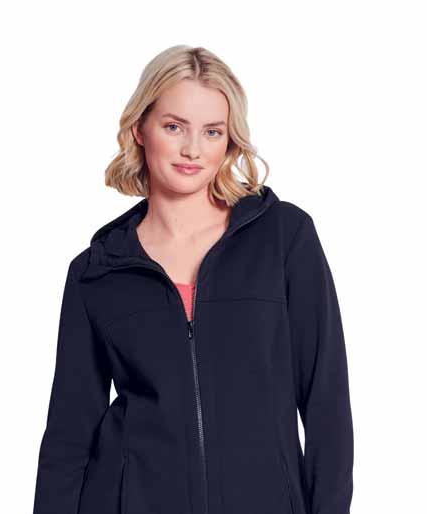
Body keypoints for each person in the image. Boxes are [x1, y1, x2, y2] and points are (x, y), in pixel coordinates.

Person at [32, 45, 354, 514]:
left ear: (229, 140)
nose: (192, 149)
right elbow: (69, 434)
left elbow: (327, 403)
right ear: (140, 129)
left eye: (212, 131)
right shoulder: (98, 270)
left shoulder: (283, 237)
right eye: (173, 126)